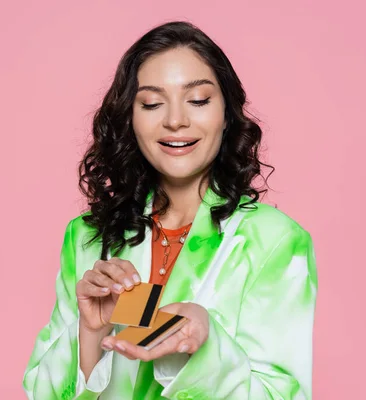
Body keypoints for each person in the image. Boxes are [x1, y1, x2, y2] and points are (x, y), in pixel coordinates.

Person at [22, 20, 317, 400]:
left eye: (198, 100)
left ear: (226, 113)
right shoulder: (87, 237)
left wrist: (206, 348)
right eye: (151, 103)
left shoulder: (274, 241)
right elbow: (39, 393)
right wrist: (91, 333)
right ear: (130, 117)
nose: (176, 120)